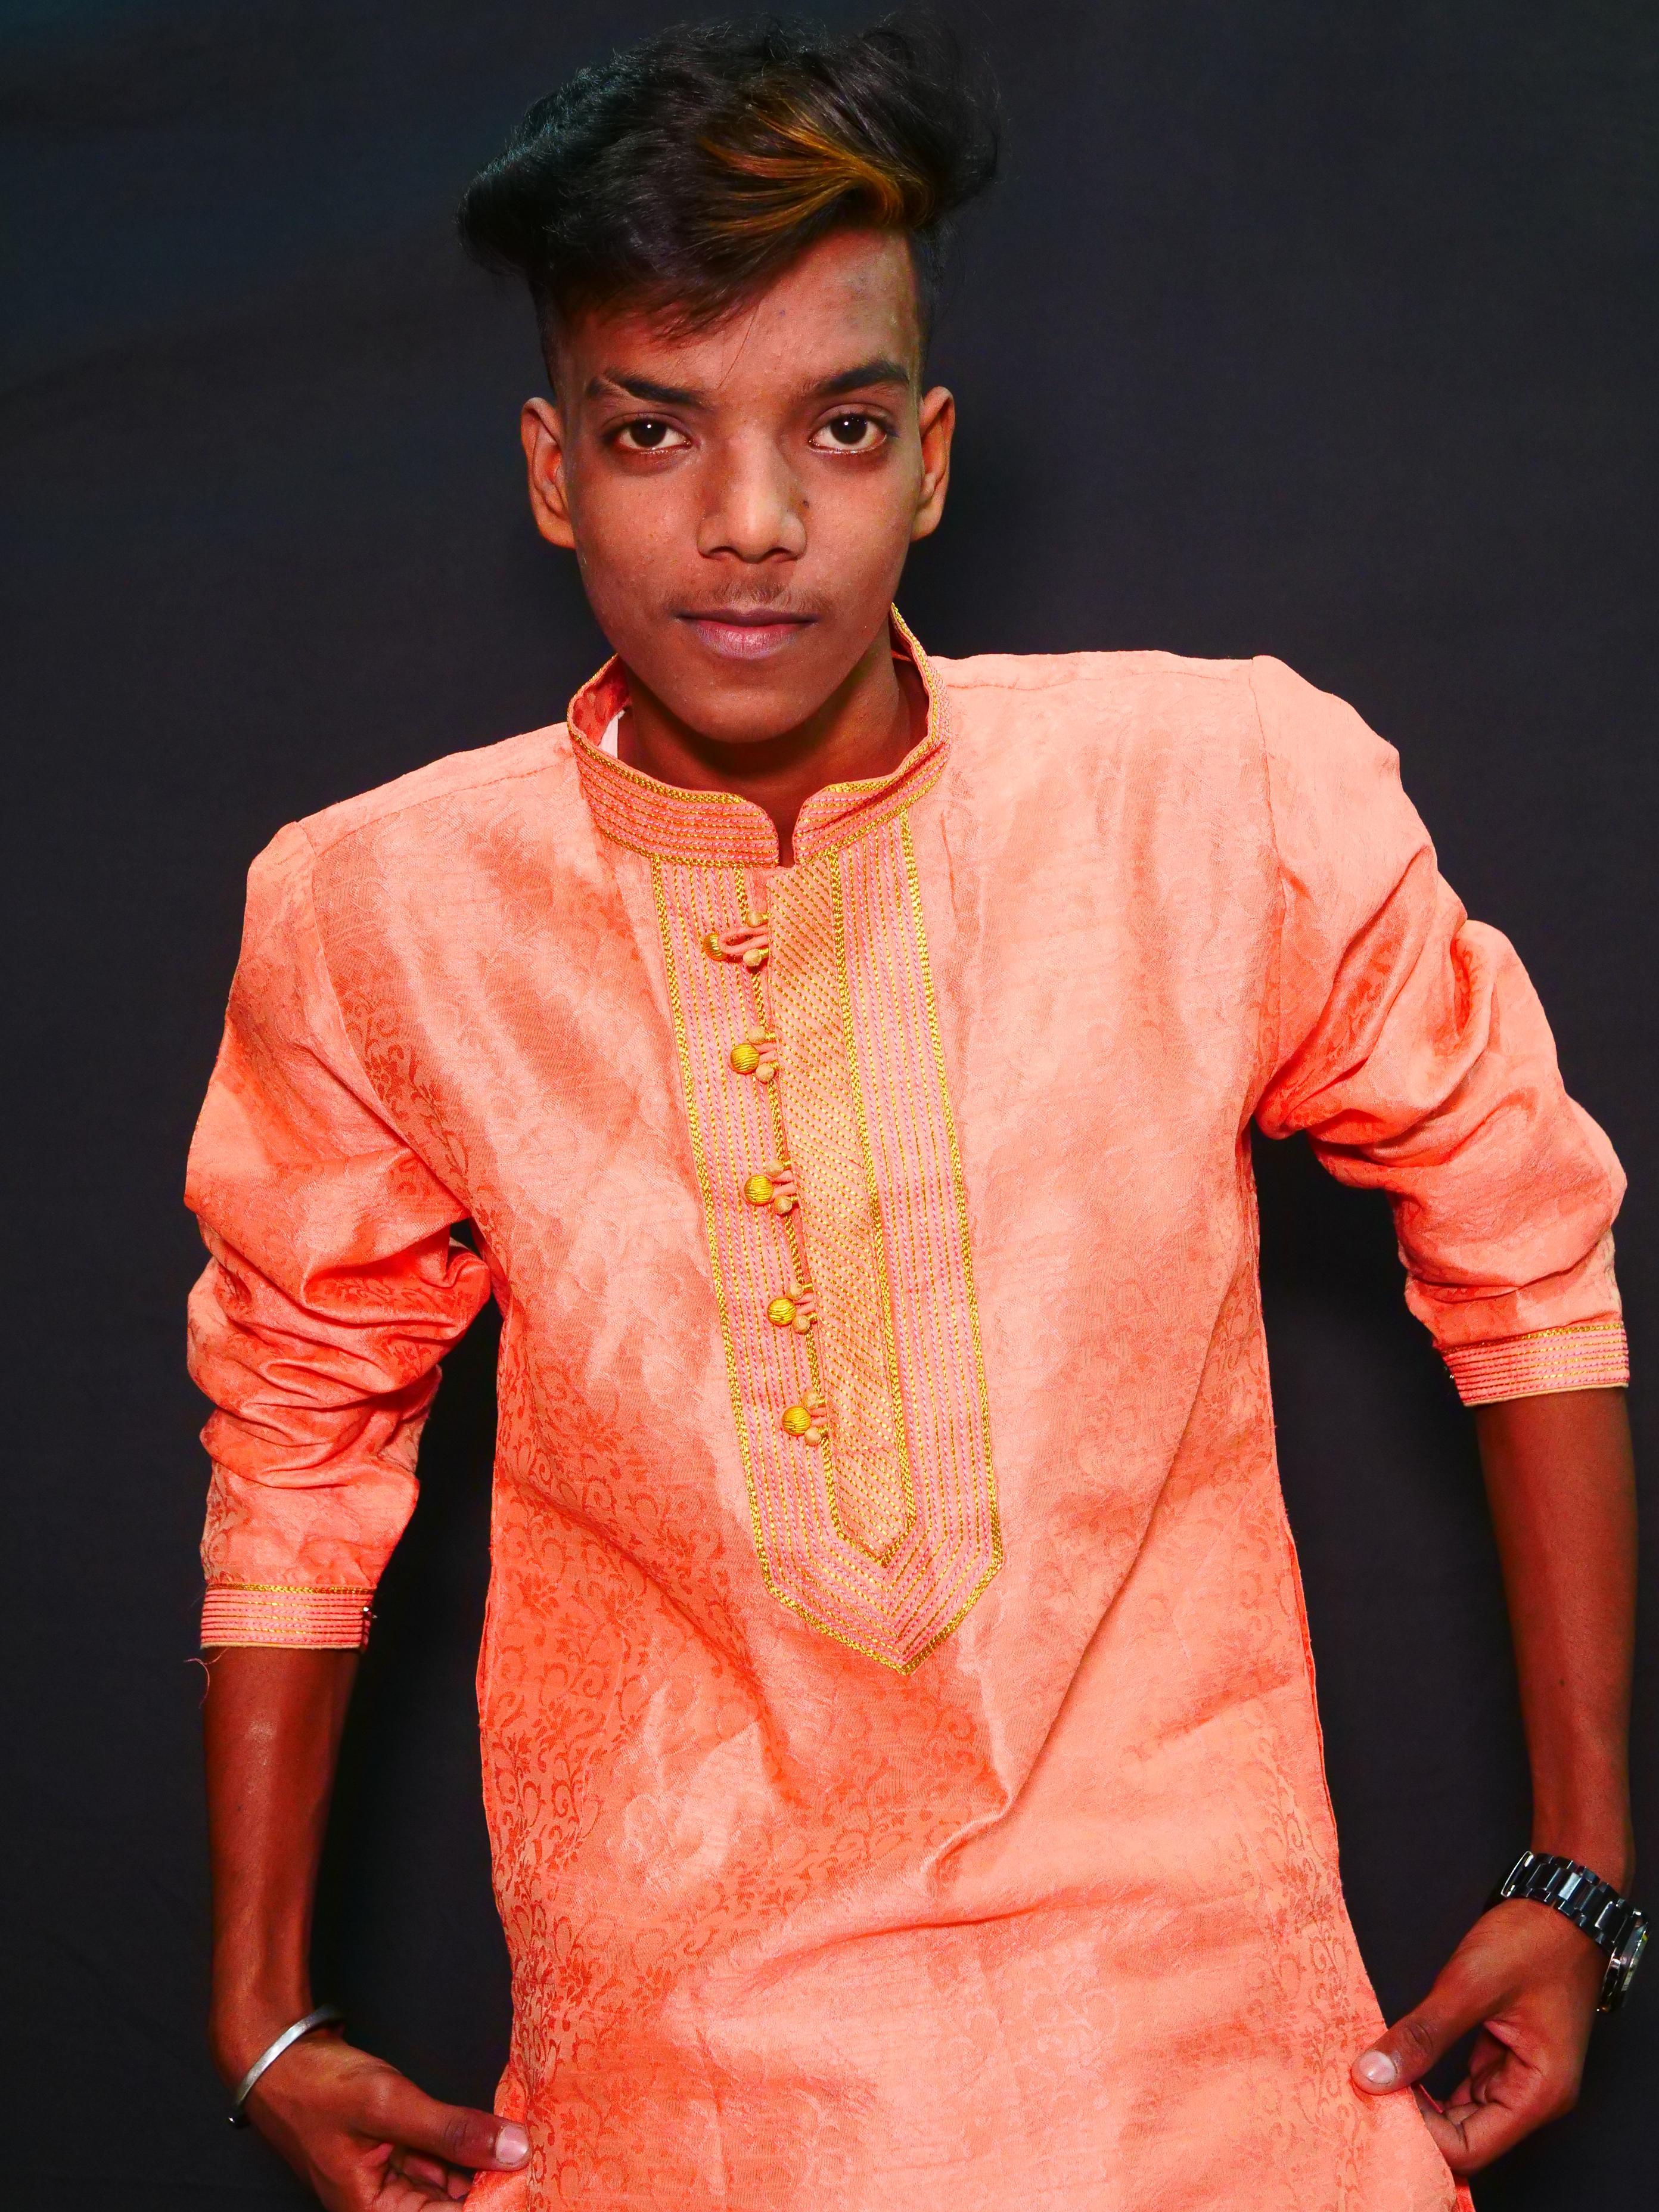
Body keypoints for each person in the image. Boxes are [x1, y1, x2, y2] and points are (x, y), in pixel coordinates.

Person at [191, 18, 1642, 2211]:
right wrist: (260, 2003)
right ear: (553, 471)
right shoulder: (384, 912)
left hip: (1226, 2091)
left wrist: (1586, 1874)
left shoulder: (1222, 797)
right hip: (679, 2110)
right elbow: (301, 1433)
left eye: (841, 427)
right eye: (657, 430)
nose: (754, 524)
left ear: (933, 459)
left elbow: (1525, 1246)